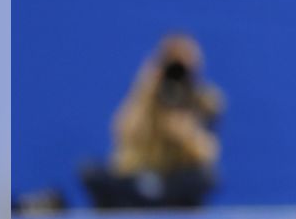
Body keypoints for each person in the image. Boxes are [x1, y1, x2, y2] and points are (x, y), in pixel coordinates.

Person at [80, 33, 224, 208]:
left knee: (205, 179)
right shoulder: (145, 97)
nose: (177, 74)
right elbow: (123, 133)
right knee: (90, 172)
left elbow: (209, 155)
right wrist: (146, 94)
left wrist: (186, 134)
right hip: (139, 175)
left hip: (175, 179)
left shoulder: (205, 101)